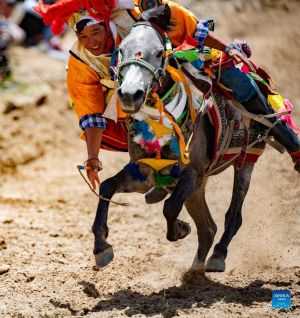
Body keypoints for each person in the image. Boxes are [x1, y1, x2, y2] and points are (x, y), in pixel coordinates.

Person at [35, 0, 299, 193]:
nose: (91, 41)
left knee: (236, 79)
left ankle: (290, 142)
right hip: (130, 93)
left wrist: (227, 48)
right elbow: (89, 109)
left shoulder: (136, 14)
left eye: (95, 32)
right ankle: (161, 171)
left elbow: (190, 27)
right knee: (125, 118)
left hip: (177, 59)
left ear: (106, 22)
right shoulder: (80, 60)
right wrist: (93, 157)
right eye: (83, 36)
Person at [0, 0, 24, 81]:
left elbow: (20, 35)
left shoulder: (5, 21)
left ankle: (3, 71)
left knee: (4, 39)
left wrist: (7, 34)